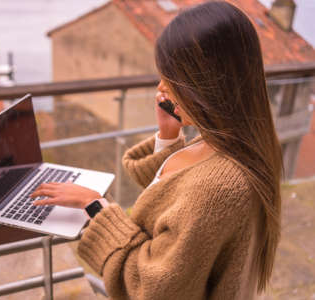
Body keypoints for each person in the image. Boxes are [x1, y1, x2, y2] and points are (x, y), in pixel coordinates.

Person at [31, 1, 283, 299]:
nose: (162, 86)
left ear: (208, 84)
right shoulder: (237, 143)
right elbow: (172, 200)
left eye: (173, 78)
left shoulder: (217, 188)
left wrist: (95, 208)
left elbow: (151, 288)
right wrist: (168, 136)